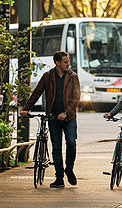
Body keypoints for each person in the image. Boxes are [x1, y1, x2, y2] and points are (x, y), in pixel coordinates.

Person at [20, 51, 80, 188]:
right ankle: (59, 177)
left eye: (68, 61)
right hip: (53, 117)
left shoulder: (73, 76)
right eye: (65, 62)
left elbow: (76, 98)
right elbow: (37, 92)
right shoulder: (48, 76)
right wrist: (26, 108)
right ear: (57, 63)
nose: (68, 64)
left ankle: (69, 169)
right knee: (56, 147)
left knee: (71, 142)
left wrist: (66, 112)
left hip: (69, 117)